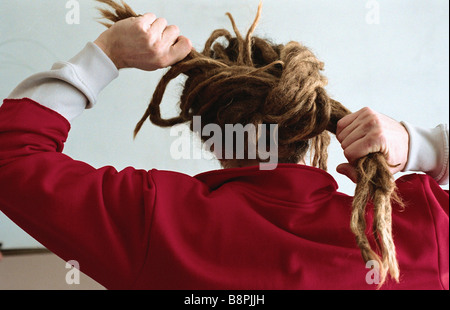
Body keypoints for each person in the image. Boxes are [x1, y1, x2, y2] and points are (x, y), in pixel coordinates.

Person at [0, 1, 448, 290]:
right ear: (312, 123)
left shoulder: (154, 221)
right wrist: (422, 146)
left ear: (206, 131)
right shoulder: (415, 229)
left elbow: (12, 156)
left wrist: (107, 53)